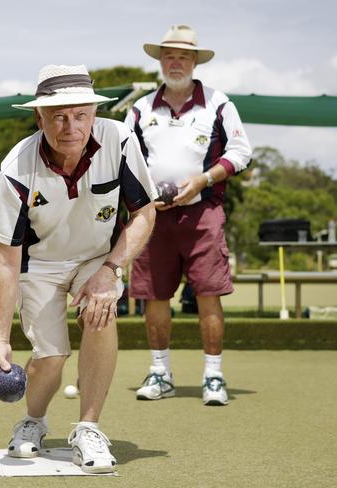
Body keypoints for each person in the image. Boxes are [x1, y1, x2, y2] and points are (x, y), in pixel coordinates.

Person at [0, 65, 157, 473]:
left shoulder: (120, 140)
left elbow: (145, 212)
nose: (70, 126)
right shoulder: (13, 171)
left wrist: (111, 269)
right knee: (51, 355)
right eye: (58, 116)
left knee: (101, 312)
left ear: (94, 114)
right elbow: (6, 258)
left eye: (80, 114)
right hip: (38, 263)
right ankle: (33, 421)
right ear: (38, 117)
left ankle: (88, 427)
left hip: (96, 258)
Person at [125, 25, 252, 406]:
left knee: (210, 294)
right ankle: (160, 373)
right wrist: (143, 196)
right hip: (154, 218)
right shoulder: (140, 107)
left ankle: (213, 376)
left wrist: (202, 180)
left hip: (203, 214)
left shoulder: (219, 102)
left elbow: (241, 151)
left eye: (182, 55)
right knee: (155, 296)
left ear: (195, 61)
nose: (174, 61)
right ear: (159, 61)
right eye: (168, 55)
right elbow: (123, 159)